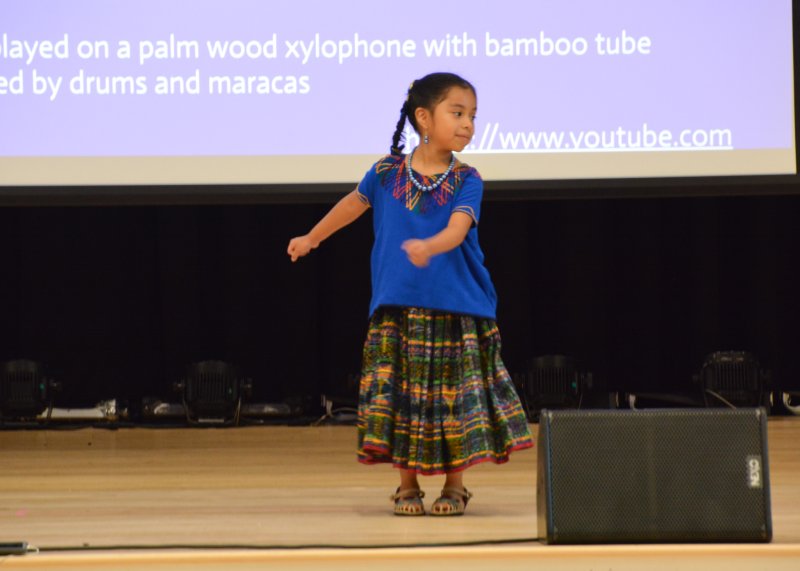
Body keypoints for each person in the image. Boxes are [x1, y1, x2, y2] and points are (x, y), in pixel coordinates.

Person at [287, 72, 533, 516]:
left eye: (473, 116)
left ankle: (455, 486)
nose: (468, 124)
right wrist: (312, 237)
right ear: (423, 117)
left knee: (453, 401)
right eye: (457, 113)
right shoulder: (385, 173)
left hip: (457, 305)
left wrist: (429, 246)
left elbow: (457, 229)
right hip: (398, 304)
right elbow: (353, 204)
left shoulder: (467, 179)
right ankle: (407, 487)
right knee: (401, 398)